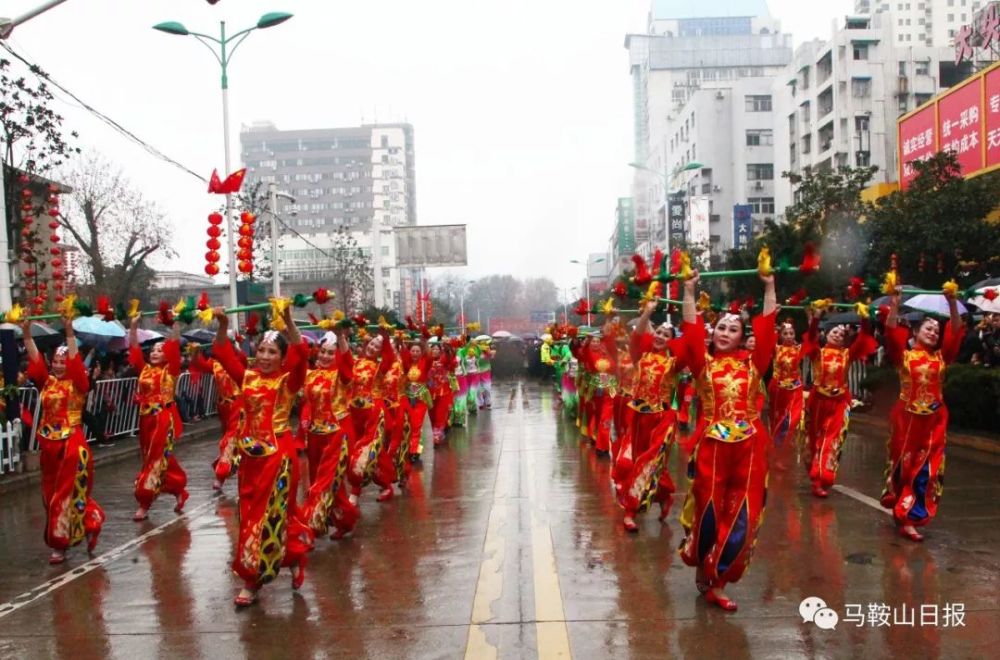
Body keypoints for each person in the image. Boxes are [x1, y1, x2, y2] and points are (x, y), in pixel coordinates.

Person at [677, 270, 777, 612]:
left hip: (749, 448)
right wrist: (688, 291)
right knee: (709, 511)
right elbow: (690, 334)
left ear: (742, 337)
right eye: (720, 327)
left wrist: (769, 286)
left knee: (742, 515)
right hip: (713, 447)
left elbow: (767, 330)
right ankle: (704, 567)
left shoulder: (754, 366)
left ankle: (717, 581)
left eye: (733, 329)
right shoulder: (703, 365)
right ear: (713, 333)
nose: (725, 333)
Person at [212, 306, 313, 606]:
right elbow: (221, 351)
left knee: (267, 518)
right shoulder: (247, 378)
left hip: (278, 459)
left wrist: (290, 322)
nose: (266, 357)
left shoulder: (288, 382)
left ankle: (250, 581)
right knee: (249, 517)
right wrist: (223, 324)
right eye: (262, 350)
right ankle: (293, 557)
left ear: (282, 358)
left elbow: (302, 353)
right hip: (250, 460)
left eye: (272, 352)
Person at [880, 285, 964, 541]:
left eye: (936, 331)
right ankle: (900, 505)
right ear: (915, 332)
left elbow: (956, 330)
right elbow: (891, 331)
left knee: (925, 469)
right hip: (906, 420)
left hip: (934, 421)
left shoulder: (941, 358)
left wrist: (952, 303)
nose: (933, 333)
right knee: (904, 467)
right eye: (928, 328)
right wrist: (895, 301)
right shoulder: (903, 357)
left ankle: (909, 518)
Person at [22, 316, 105, 564]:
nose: (58, 366)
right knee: (49, 496)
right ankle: (92, 520)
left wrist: (69, 332)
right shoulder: (47, 383)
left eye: (62, 362)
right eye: (55, 362)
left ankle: (60, 545)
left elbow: (76, 363)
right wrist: (26, 334)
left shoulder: (78, 383)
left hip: (72, 445)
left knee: (64, 496)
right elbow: (36, 361)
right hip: (49, 445)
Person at [614, 300, 687, 532]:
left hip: (661, 420)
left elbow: (689, 347)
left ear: (671, 341)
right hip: (637, 417)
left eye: (667, 335)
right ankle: (665, 494)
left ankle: (630, 510)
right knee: (639, 462)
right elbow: (636, 336)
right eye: (658, 332)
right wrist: (647, 311)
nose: (661, 336)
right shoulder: (640, 357)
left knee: (649, 462)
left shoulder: (673, 364)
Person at [802, 311, 877, 497]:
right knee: (814, 440)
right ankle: (816, 479)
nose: (837, 335)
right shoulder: (817, 353)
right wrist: (816, 319)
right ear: (826, 334)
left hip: (839, 403)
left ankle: (824, 476)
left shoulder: (847, 355)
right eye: (834, 332)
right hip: (818, 402)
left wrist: (865, 320)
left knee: (832, 439)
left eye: (841, 334)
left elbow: (862, 340)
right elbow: (811, 338)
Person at [299, 328, 358, 540]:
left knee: (324, 483)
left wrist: (341, 337)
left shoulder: (341, 376)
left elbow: (348, 366)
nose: (325, 356)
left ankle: (311, 528)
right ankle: (344, 519)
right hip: (315, 436)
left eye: (330, 353)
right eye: (323, 351)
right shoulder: (311, 374)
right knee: (323, 483)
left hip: (336, 436)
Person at [129, 315, 188, 522]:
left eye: (160, 350)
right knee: (154, 458)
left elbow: (174, 348)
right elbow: (134, 350)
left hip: (163, 418)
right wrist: (134, 326)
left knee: (155, 459)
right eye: (153, 350)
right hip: (145, 419)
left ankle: (144, 502)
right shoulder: (143, 369)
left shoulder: (170, 372)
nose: (155, 353)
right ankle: (178, 487)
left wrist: (175, 325)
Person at [189, 341, 245, 490]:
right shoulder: (215, 364)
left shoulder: (238, 361)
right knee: (229, 439)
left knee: (229, 440)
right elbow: (199, 364)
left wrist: (237, 345)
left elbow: (243, 358)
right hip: (223, 407)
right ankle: (233, 465)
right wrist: (195, 351)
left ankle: (221, 475)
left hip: (238, 405)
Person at [768, 318, 807, 469]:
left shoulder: (799, 349)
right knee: (777, 422)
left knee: (791, 420)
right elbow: (768, 337)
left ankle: (779, 452)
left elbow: (811, 340)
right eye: (785, 333)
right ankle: (776, 454)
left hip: (795, 389)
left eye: (791, 333)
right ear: (780, 335)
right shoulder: (776, 349)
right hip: (778, 391)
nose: (789, 336)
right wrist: (772, 321)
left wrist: (812, 318)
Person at [401, 331, 433, 462]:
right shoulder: (407, 364)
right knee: (407, 423)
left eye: (417, 351)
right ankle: (408, 448)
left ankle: (415, 450)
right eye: (412, 351)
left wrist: (424, 342)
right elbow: (402, 356)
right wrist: (401, 342)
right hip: (407, 398)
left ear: (421, 353)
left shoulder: (425, 363)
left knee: (417, 425)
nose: (414, 353)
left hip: (420, 399)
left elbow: (430, 356)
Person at [428, 338, 458, 446]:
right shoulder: (427, 360)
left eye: (437, 349)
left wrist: (448, 349)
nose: (435, 351)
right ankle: (439, 430)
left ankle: (437, 436)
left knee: (440, 414)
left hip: (443, 392)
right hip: (429, 393)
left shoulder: (444, 360)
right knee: (432, 415)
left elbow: (452, 362)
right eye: (433, 349)